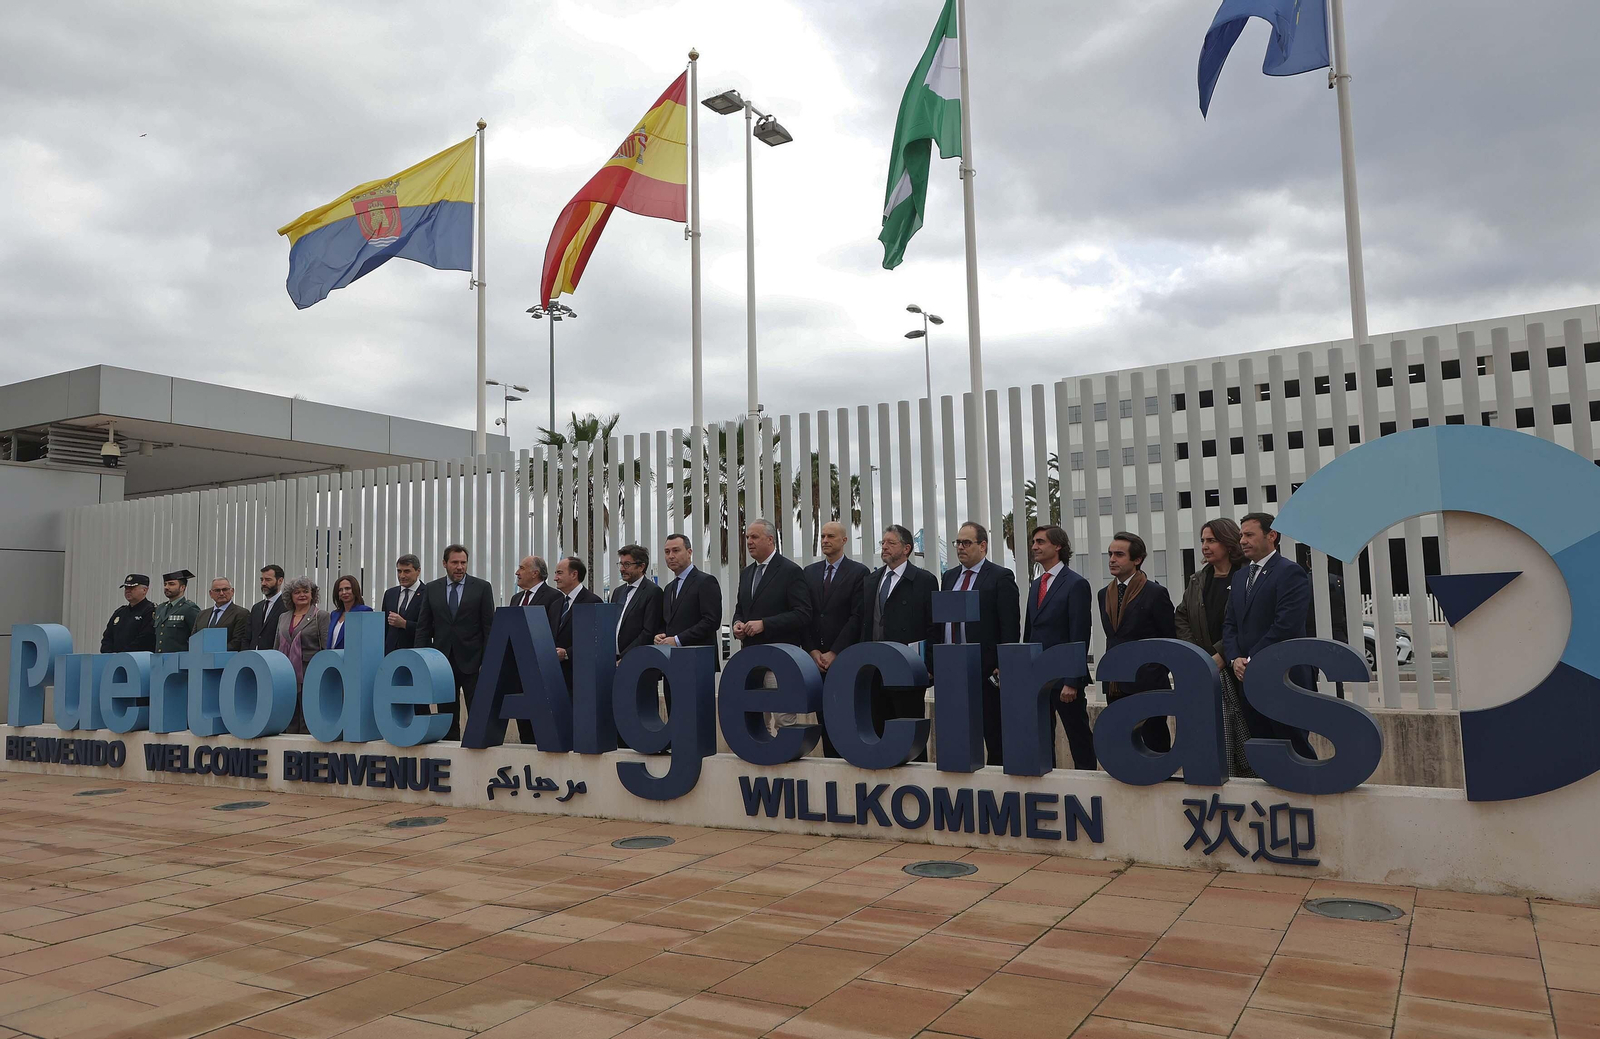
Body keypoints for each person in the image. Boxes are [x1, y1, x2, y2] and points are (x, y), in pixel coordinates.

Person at [1223, 512, 1319, 760]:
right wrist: (1235, 659)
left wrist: (1251, 658)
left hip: (1284, 674)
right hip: (1248, 678)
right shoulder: (1240, 576)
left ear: (1271, 536)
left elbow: (1285, 625)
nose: (1242, 540)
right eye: (1241, 535)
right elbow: (1231, 624)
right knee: (1263, 746)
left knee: (1293, 746)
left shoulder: (1290, 572)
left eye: (1249, 534)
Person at [935, 521, 1021, 765]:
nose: (960, 547)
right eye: (957, 543)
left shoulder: (1000, 577)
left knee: (993, 732)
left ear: (982, 546)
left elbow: (1009, 625)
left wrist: (1003, 662)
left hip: (986, 669)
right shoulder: (949, 577)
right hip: (953, 668)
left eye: (966, 543)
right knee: (958, 732)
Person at [1176, 518, 1251, 775]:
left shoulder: (1246, 575)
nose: (1205, 547)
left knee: (1243, 729)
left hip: (1235, 666)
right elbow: (1182, 616)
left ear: (1228, 542)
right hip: (1205, 665)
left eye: (1211, 540)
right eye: (1203, 541)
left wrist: (1221, 654)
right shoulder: (1198, 579)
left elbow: (1244, 621)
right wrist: (1197, 655)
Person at [1097, 532, 1178, 753]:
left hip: (1148, 682)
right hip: (1116, 681)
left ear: (1137, 559)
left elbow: (1169, 638)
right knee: (1123, 743)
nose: (1112, 559)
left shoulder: (1155, 592)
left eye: (1119, 554)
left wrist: (1153, 670)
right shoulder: (1104, 594)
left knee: (1153, 743)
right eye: (1110, 554)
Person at [1023, 525, 1095, 770]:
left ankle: (1088, 783)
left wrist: (1072, 680)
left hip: (1065, 680)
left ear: (1058, 547)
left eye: (1041, 542)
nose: (1035, 546)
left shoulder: (1075, 584)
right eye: (1034, 542)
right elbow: (1029, 631)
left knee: (1078, 736)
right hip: (1038, 677)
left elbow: (1079, 633)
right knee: (1042, 737)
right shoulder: (1036, 584)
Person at [858, 524, 938, 743]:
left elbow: (933, 626)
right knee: (878, 728)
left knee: (908, 732)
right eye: (883, 543)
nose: (884, 547)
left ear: (906, 549)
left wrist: (929, 666)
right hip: (874, 667)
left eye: (891, 543)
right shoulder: (871, 580)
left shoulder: (923, 580)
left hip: (908, 668)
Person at [415, 544, 496, 741]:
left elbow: (489, 629)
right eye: (455, 563)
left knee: (478, 716)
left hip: (474, 663)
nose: (460, 567)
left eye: (463, 562)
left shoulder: (482, 588)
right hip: (442, 663)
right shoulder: (432, 589)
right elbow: (423, 627)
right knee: (447, 718)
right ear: (445, 564)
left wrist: (488, 661)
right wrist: (420, 659)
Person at [804, 521, 867, 757]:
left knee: (846, 716)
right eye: (822, 536)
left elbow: (857, 616)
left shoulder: (859, 573)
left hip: (844, 658)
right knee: (824, 717)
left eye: (831, 536)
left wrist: (835, 651)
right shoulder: (809, 573)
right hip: (816, 660)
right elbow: (806, 615)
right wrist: (812, 651)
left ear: (844, 541)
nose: (825, 540)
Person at [656, 533, 723, 669]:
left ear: (689, 552)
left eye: (676, 550)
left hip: (697, 660)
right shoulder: (669, 588)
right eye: (667, 552)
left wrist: (677, 640)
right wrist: (660, 635)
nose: (671, 556)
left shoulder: (705, 581)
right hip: (672, 661)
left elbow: (711, 621)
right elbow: (668, 621)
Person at [275, 576, 328, 734]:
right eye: (297, 592)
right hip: (286, 674)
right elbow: (276, 645)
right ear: (290, 596)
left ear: (313, 594)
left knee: (307, 716)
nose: (302, 595)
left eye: (306, 591)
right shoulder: (283, 617)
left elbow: (326, 647)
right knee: (288, 714)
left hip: (310, 673)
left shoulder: (321, 616)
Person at [551, 555, 602, 689]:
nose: (555, 578)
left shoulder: (592, 602)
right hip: (556, 676)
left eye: (559, 573)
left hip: (580, 677)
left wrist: (567, 653)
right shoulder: (556, 604)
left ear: (574, 574)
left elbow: (595, 639)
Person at [613, 545, 664, 656]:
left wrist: (625, 657)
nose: (622, 569)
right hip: (613, 659)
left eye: (627, 564)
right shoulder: (618, 592)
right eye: (621, 564)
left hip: (637, 660)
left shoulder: (653, 592)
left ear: (641, 567)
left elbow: (648, 632)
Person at [380, 554, 427, 655]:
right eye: (399, 571)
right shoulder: (390, 594)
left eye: (407, 571)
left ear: (418, 571)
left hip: (416, 653)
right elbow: (384, 627)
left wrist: (405, 624)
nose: (402, 576)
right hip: (391, 654)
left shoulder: (428, 593)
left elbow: (430, 628)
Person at [101, 573, 157, 653]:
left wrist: (123, 655)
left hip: (138, 660)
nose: (128, 590)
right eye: (126, 587)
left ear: (145, 590)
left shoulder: (150, 611)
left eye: (132, 587)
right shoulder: (120, 612)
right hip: (114, 661)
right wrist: (108, 654)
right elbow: (107, 637)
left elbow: (145, 639)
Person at [192, 577, 250, 652]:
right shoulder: (202, 615)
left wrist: (215, 653)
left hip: (228, 659)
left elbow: (238, 641)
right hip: (202, 659)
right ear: (210, 594)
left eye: (225, 589)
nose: (221, 593)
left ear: (232, 591)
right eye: (217, 590)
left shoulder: (241, 613)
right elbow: (194, 638)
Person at [153, 569, 200, 653]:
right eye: (165, 584)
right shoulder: (160, 608)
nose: (166, 587)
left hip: (179, 660)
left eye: (171, 584)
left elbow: (197, 636)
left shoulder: (189, 608)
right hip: (159, 659)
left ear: (182, 587)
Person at [326, 574, 374, 650]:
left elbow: (367, 641)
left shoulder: (364, 611)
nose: (344, 592)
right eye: (340, 590)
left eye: (347, 588)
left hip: (352, 658)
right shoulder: (334, 614)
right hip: (333, 658)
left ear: (355, 590)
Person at [249, 565, 288, 651]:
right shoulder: (256, 607)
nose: (263, 583)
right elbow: (248, 636)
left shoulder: (287, 606)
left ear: (280, 581)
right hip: (253, 658)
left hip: (274, 658)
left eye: (268, 580)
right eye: (262, 580)